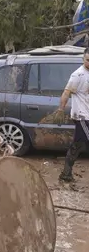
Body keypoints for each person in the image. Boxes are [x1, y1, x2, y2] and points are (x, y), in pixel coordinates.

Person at [55, 49, 89, 182]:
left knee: (79, 144)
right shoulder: (78, 75)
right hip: (81, 116)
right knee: (78, 145)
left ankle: (66, 174)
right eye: (88, 60)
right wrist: (60, 110)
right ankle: (66, 174)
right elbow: (66, 93)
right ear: (83, 59)